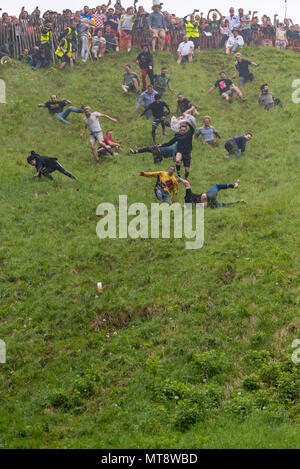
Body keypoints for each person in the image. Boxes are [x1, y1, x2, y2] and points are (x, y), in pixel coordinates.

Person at [178, 177, 244, 208]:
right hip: (208, 196)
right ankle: (234, 186)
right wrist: (179, 179)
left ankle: (239, 202)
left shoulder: (188, 205)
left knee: (223, 205)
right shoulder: (189, 195)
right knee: (217, 186)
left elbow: (201, 206)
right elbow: (186, 183)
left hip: (209, 202)